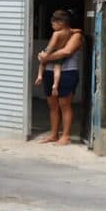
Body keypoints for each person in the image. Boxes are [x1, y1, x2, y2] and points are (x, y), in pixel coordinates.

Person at [36, 9, 84, 145]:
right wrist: (44, 55)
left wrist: (46, 57)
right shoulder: (57, 34)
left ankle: (66, 136)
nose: (51, 24)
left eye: (54, 21)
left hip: (68, 72)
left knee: (65, 105)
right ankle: (54, 134)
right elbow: (49, 49)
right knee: (52, 105)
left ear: (62, 22)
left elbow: (67, 52)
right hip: (50, 71)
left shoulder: (77, 36)